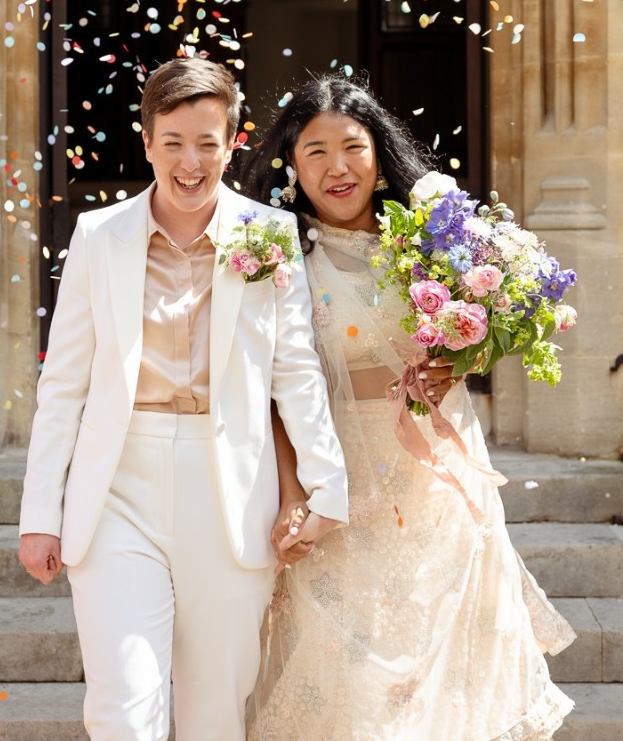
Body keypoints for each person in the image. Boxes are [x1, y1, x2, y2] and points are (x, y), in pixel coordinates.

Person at [18, 56, 349, 741]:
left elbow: (295, 373)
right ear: (146, 142)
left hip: (228, 489)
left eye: (208, 143)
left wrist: (325, 487)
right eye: (173, 143)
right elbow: (64, 386)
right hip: (116, 489)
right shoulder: (98, 236)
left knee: (213, 712)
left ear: (234, 142)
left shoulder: (267, 234)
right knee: (122, 705)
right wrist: (39, 513)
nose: (190, 162)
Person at [239, 74, 576, 741]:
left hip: (436, 483)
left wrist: (462, 357)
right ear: (291, 166)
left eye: (352, 147)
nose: (337, 167)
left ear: (378, 151)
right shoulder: (273, 258)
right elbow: (270, 397)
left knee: (444, 659)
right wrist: (293, 494)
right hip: (336, 478)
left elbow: (486, 326)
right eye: (315, 152)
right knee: (348, 670)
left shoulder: (432, 242)